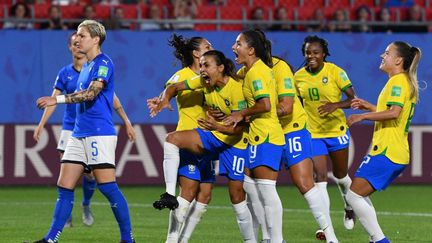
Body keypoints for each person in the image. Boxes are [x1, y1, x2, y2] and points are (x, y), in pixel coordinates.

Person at [33, 20, 135, 243]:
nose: (77, 39)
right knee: (64, 185)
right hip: (78, 133)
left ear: (96, 39)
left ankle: (128, 240)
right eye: (76, 36)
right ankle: (50, 239)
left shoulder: (103, 63)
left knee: (108, 187)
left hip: (99, 133)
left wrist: (56, 99)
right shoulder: (86, 67)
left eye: (82, 35)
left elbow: (91, 94)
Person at [148, 50, 255, 242]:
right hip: (212, 135)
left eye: (207, 65)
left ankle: (251, 241)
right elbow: (173, 87)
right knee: (171, 139)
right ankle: (170, 197)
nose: (202, 70)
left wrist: (217, 125)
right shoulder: (202, 81)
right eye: (201, 64)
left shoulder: (237, 89)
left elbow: (239, 129)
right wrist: (164, 100)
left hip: (235, 142)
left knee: (236, 195)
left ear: (220, 68)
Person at [346, 41, 421, 243]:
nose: (382, 56)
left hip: (387, 151)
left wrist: (361, 117)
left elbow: (394, 113)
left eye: (387, 53)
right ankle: (376, 239)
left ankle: (380, 240)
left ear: (398, 60)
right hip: (395, 151)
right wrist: (369, 107)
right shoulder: (401, 81)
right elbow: (395, 111)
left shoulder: (398, 82)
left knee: (353, 197)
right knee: (358, 195)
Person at [147, 34, 214, 243]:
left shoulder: (212, 74)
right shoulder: (182, 75)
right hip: (187, 139)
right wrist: (161, 101)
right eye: (206, 46)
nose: (211, 47)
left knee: (204, 195)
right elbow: (169, 89)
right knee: (187, 193)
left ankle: (183, 240)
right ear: (196, 53)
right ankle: (171, 240)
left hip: (209, 140)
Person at [225, 29, 285, 243]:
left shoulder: (257, 73)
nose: (234, 47)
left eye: (238, 43)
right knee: (254, 188)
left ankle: (276, 239)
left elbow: (265, 104)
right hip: (258, 136)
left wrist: (240, 114)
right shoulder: (250, 71)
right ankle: (268, 238)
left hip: (266, 135)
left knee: (267, 192)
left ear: (251, 50)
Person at [294, 35, 357, 238]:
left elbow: (352, 100)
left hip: (336, 131)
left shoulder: (335, 72)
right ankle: (326, 225)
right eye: (308, 52)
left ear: (324, 54)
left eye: (315, 52)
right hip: (313, 133)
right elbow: (297, 104)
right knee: (319, 178)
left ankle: (348, 206)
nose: (311, 56)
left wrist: (335, 105)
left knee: (340, 176)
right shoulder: (298, 77)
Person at [272, 56, 338, 243]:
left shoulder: (283, 74)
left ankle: (331, 235)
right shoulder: (248, 74)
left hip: (294, 130)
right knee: (259, 186)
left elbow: (286, 107)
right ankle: (272, 238)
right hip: (268, 132)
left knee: (309, 181)